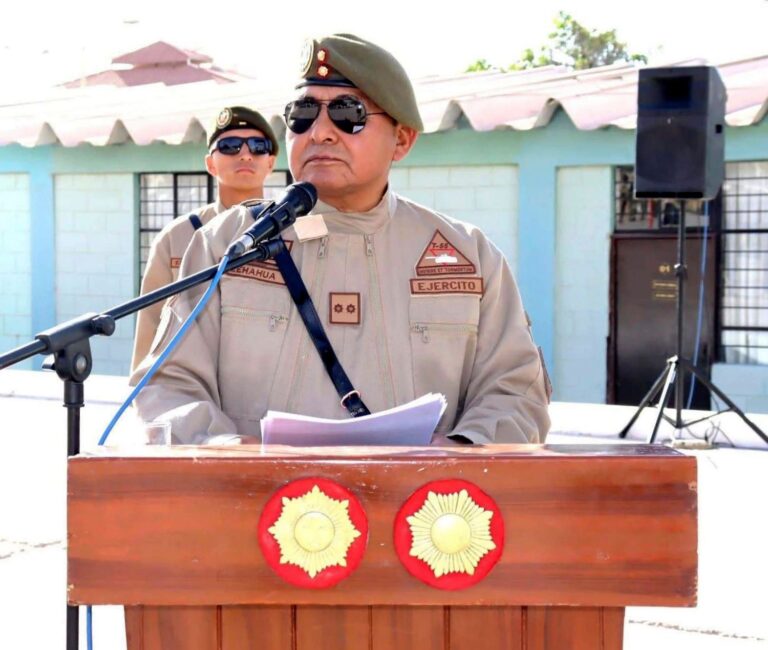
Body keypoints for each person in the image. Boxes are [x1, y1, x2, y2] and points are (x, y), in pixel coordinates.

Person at [131, 34, 551, 445]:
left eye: (348, 114)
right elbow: (168, 386)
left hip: (422, 492)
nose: (320, 133)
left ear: (402, 140)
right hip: (253, 490)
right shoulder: (226, 245)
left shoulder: (467, 256)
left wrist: (460, 449)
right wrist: (226, 449)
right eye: (303, 114)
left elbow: (516, 392)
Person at [130, 106, 278, 371]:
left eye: (258, 146)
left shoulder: (292, 232)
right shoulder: (176, 238)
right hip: (191, 383)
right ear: (210, 163)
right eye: (231, 146)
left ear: (271, 162)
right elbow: (151, 330)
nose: (245, 154)